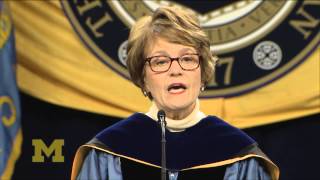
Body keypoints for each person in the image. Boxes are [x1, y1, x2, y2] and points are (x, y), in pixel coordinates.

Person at [71, 6, 279, 180]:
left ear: (203, 72)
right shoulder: (108, 153)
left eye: (187, 59)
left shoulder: (240, 156)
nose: (176, 69)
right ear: (143, 79)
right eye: (161, 61)